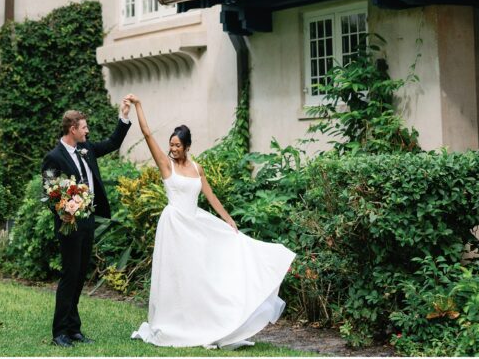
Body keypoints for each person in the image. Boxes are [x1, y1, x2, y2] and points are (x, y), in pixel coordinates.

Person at [127, 94, 295, 349]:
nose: (172, 149)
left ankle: (212, 322)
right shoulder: (166, 165)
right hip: (175, 226)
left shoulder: (196, 168)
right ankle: (179, 323)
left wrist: (228, 219)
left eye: (177, 145)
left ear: (187, 146)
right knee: (179, 277)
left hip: (196, 224)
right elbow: (148, 134)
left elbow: (210, 195)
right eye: (170, 144)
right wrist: (139, 106)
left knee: (207, 272)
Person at [41, 101, 132, 347]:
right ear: (72, 129)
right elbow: (49, 189)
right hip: (68, 224)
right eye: (84, 127)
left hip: (88, 220)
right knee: (70, 275)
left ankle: (73, 328)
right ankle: (59, 331)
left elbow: (112, 143)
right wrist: (61, 211)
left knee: (81, 275)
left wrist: (123, 117)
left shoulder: (86, 149)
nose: (87, 131)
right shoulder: (54, 157)